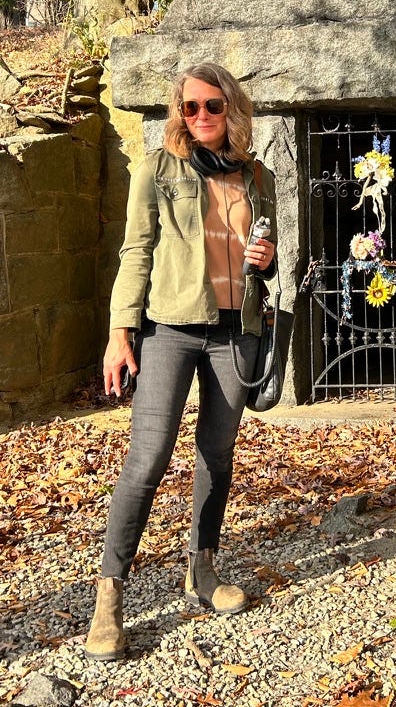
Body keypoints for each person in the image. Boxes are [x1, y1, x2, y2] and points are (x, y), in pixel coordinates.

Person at [85, 62, 278, 661]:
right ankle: (110, 595)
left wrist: (266, 260)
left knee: (217, 454)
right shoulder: (159, 169)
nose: (200, 117)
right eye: (189, 107)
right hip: (170, 327)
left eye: (212, 106)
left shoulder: (256, 176)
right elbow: (136, 250)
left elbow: (264, 255)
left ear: (233, 110)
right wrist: (122, 333)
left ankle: (203, 570)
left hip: (233, 333)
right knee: (148, 457)